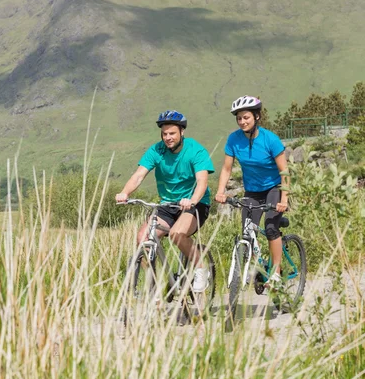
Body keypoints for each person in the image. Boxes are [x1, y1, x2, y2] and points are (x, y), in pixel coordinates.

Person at [115, 110, 215, 291]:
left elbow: (202, 181)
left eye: (172, 133)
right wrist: (125, 192)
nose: (168, 137)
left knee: (177, 234)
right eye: (165, 134)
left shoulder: (196, 150)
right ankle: (152, 285)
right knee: (143, 238)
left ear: (182, 132)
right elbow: (139, 175)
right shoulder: (156, 150)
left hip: (194, 204)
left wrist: (192, 200)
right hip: (167, 205)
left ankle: (201, 268)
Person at [215, 95, 289, 285]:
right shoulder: (234, 139)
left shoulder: (270, 139)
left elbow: (285, 171)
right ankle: (256, 266)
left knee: (271, 228)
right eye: (239, 118)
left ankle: (276, 272)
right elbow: (226, 168)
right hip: (252, 191)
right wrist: (221, 191)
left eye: (246, 117)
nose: (242, 122)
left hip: (274, 188)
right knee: (247, 232)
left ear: (256, 117)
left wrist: (284, 200)